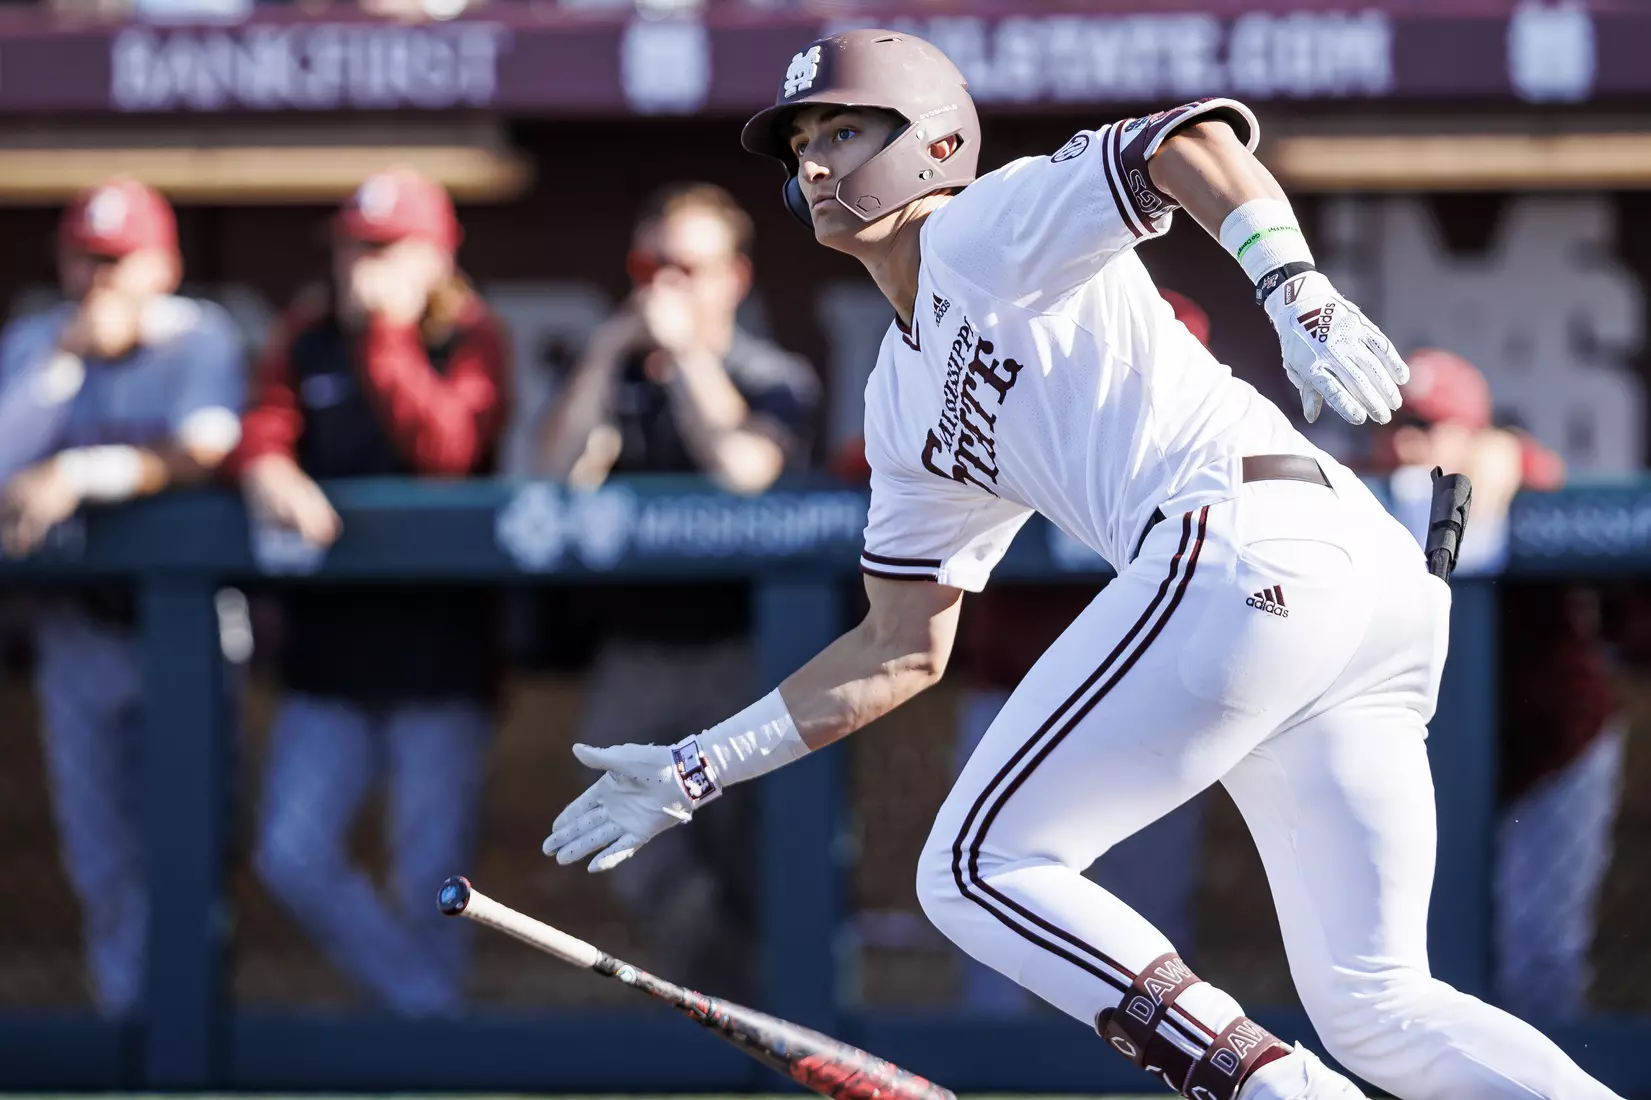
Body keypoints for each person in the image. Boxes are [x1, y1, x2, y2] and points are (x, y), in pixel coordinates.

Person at [542, 30, 1625, 1100]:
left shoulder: (981, 224)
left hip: (1244, 537)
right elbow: (898, 646)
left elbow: (1187, 139)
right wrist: (698, 764)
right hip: (1340, 581)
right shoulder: (897, 394)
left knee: (970, 868)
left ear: (928, 141)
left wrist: (1293, 287)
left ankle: (1266, 1088)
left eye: (843, 128)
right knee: (1378, 1001)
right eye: (799, 146)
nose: (814, 162)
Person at [232, 166, 509, 1015]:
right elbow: (261, 424)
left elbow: (448, 450)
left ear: (436, 255)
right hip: (330, 657)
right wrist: (267, 465)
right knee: (290, 851)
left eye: (385, 247)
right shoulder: (308, 335)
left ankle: (427, 1040)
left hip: (440, 654)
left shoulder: (467, 335)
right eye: (354, 246)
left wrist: (387, 334)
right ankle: (433, 1019)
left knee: (429, 873)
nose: (362, 265)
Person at [535, 181, 818, 995]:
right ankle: (717, 1012)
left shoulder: (772, 375)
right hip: (636, 657)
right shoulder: (620, 374)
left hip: (745, 660)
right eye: (648, 265)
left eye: (686, 269)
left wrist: (688, 356)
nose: (663, 287)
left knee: (755, 856)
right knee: (631, 853)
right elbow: (552, 474)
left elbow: (743, 470)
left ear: (733, 277)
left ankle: (779, 1027)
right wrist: (604, 354)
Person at [0, 178, 245, 1013]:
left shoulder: (198, 336)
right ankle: (132, 1042)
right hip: (79, 632)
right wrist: (67, 360)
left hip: (185, 632)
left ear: (163, 264)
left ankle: (201, 1038)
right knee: (100, 862)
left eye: (120, 260)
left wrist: (78, 471)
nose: (102, 278)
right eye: (87, 258)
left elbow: (207, 448)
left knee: (196, 847)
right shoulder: (42, 340)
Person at [1366, 348, 1621, 1022]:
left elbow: (1529, 467)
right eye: (1395, 425)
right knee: (1410, 953)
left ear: (1473, 430)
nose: (1407, 443)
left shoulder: (1511, 469)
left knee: (1535, 956)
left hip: (1548, 751)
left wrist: (1505, 456)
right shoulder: (1358, 495)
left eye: (1427, 424)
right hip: (1433, 764)